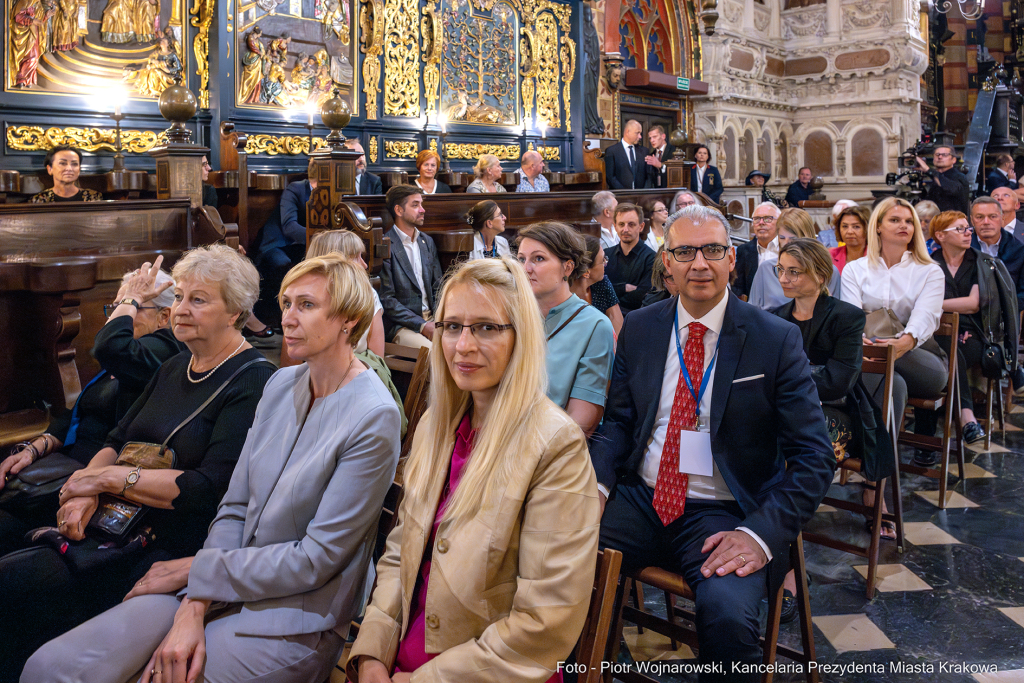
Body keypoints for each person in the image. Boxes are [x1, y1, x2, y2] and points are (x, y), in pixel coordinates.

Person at [25, 256, 402, 683]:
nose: (289, 319)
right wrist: (195, 603)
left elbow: (317, 560)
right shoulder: (282, 386)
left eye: (307, 306)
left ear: (349, 321)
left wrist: (200, 574)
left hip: (297, 614)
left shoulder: (373, 415)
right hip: (221, 580)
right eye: (286, 303)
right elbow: (235, 506)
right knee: (48, 667)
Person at [0, 245, 275, 682]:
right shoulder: (176, 364)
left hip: (162, 542)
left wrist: (103, 480)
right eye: (180, 296)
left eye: (198, 300)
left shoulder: (255, 378)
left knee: (12, 588)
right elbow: (116, 439)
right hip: (111, 517)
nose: (180, 309)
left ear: (236, 311)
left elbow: (205, 488)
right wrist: (84, 488)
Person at [593, 204, 835, 681]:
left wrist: (759, 534)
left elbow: (814, 458)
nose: (698, 263)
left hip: (724, 510)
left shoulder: (774, 338)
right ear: (667, 262)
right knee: (553, 559)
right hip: (642, 498)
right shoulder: (641, 328)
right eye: (684, 251)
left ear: (732, 261)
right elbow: (619, 422)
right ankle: (593, 663)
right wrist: (596, 488)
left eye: (712, 250)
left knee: (727, 618)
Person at [347, 258, 601, 683]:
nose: (462, 346)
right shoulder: (435, 425)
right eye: (452, 326)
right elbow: (399, 556)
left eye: (486, 327)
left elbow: (544, 620)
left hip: (489, 669)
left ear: (521, 337)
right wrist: (372, 651)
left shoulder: (556, 445)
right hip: (400, 658)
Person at [0, 261, 184, 556]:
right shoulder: (130, 357)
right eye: (113, 308)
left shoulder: (165, 351)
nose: (116, 317)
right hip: (62, 473)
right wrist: (31, 450)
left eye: (129, 308)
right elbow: (75, 414)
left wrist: (130, 298)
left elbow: (111, 345)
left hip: (96, 488)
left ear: (165, 317)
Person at [769, 238, 891, 616]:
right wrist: (800, 377)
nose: (785, 278)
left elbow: (839, 382)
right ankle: (774, 550)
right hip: (786, 410)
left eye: (794, 271)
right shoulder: (774, 315)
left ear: (820, 275)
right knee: (755, 453)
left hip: (840, 413)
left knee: (792, 464)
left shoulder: (846, 316)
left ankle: (787, 571)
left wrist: (788, 378)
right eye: (781, 270)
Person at [841, 197, 946, 466]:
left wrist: (904, 342)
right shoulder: (855, 269)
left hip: (922, 361)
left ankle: (854, 449)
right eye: (895, 220)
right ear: (878, 226)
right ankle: (878, 477)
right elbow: (851, 317)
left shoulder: (930, 271)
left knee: (879, 366)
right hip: (875, 357)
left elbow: (926, 315)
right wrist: (862, 341)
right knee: (893, 384)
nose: (905, 226)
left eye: (909, 221)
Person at [516, 222, 615, 436]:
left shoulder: (594, 326)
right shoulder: (509, 316)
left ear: (567, 268)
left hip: (553, 451)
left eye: (538, 258)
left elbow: (581, 423)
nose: (526, 269)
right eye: (521, 259)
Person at [930, 211, 1001, 445]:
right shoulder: (929, 263)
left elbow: (972, 304)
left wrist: (932, 305)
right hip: (935, 331)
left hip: (972, 333)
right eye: (959, 229)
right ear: (940, 235)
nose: (968, 232)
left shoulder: (979, 262)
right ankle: (967, 419)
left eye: (967, 228)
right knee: (947, 351)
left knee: (952, 354)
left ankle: (954, 418)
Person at [253, 156, 315, 326]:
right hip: (278, 245)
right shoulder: (296, 188)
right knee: (284, 264)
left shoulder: (332, 190)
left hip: (304, 246)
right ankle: (285, 318)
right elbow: (289, 227)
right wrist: (320, 238)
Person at [380, 185, 443, 350]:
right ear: (399, 210)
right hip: (402, 326)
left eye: (421, 205)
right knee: (433, 353)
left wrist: (441, 319)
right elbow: (387, 300)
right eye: (415, 205)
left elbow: (438, 286)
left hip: (433, 319)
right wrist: (422, 325)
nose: (422, 210)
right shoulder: (385, 244)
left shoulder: (426, 241)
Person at [307, 230, 386, 356]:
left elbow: (378, 359)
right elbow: (290, 365)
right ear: (333, 263)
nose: (364, 265)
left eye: (362, 256)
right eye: (355, 257)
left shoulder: (369, 294)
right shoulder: (302, 297)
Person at [749, 208, 841, 310]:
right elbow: (752, 311)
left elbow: (835, 311)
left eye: (793, 239)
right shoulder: (766, 268)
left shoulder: (829, 271)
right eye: (782, 238)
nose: (787, 243)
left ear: (807, 238)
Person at [970, 196, 1024, 313]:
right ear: (972, 220)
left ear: (1002, 218)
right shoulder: (963, 247)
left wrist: (1006, 309)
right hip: (969, 316)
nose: (986, 222)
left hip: (1006, 315)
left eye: (992, 216)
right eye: (979, 217)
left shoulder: (1018, 250)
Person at [606, 202, 657, 315]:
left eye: (631, 224)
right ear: (615, 226)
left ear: (641, 227)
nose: (625, 229)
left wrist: (608, 298)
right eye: (621, 224)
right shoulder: (606, 255)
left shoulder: (652, 258)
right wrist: (623, 288)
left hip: (636, 319)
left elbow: (642, 297)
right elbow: (597, 291)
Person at [571, 234, 624, 337]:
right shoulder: (563, 295)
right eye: (602, 260)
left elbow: (620, 331)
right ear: (586, 272)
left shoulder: (602, 283)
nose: (606, 263)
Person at [733, 201, 781, 299]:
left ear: (779, 222)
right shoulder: (744, 250)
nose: (761, 223)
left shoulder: (788, 248)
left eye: (768, 219)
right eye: (757, 219)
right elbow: (738, 288)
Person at [30, 146, 103, 203]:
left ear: (79, 170)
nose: (69, 168)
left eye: (74, 164)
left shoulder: (93, 197)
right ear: (50, 169)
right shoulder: (39, 200)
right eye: (62, 163)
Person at [916, 146, 970, 216]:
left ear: (954, 160)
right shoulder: (934, 178)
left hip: (952, 222)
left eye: (944, 155)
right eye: (937, 155)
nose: (940, 157)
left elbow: (951, 189)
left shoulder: (959, 177)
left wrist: (928, 170)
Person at [604, 119, 649, 190]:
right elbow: (610, 177)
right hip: (621, 196)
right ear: (627, 132)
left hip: (641, 196)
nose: (640, 136)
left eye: (640, 133)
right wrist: (625, 193)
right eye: (637, 133)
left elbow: (648, 176)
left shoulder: (644, 151)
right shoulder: (612, 151)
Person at [830, 204, 871, 273]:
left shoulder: (879, 257)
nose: (849, 231)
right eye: (845, 226)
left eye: (856, 227)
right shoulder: (830, 256)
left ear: (867, 229)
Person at [644, 124, 676, 189]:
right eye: (650, 138)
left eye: (655, 137)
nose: (652, 140)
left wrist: (660, 165)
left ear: (663, 136)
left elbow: (677, 173)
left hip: (671, 190)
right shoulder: (651, 155)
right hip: (656, 192)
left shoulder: (674, 151)